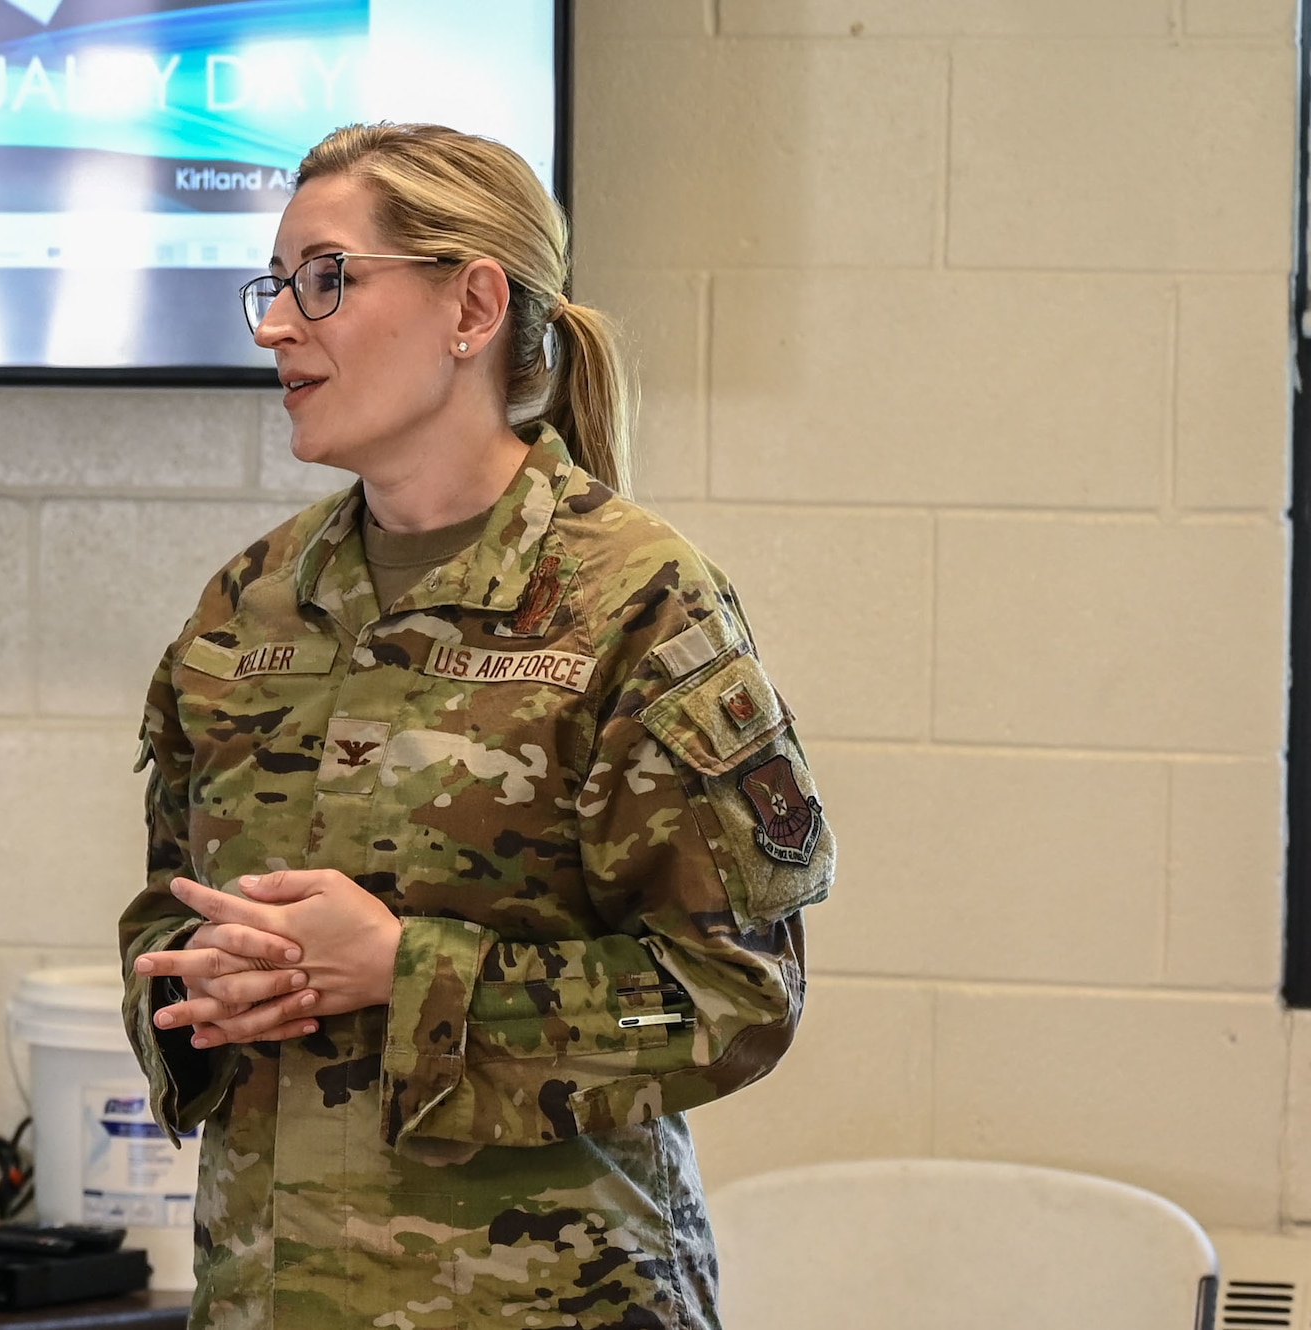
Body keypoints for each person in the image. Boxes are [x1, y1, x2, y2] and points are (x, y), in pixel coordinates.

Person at [119, 122, 835, 1330]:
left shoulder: (634, 601)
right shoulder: (250, 603)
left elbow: (736, 993)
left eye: (326, 280)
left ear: (473, 306)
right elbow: (163, 909)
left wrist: (406, 972)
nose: (274, 325)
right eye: (275, 284)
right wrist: (199, 994)